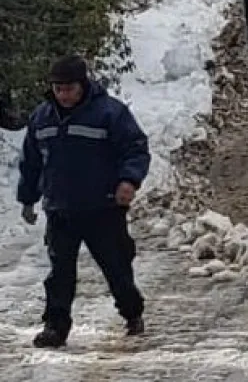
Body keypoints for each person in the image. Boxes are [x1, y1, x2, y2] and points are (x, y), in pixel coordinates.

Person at [16, 55, 151, 348]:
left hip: (103, 209)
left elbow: (136, 149)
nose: (63, 94)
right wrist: (27, 199)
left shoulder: (110, 113)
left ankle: (132, 312)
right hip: (60, 211)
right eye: (58, 88)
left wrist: (128, 181)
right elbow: (31, 162)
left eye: (69, 88)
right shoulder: (41, 118)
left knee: (116, 268)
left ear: (83, 85)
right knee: (59, 274)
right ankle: (55, 326)